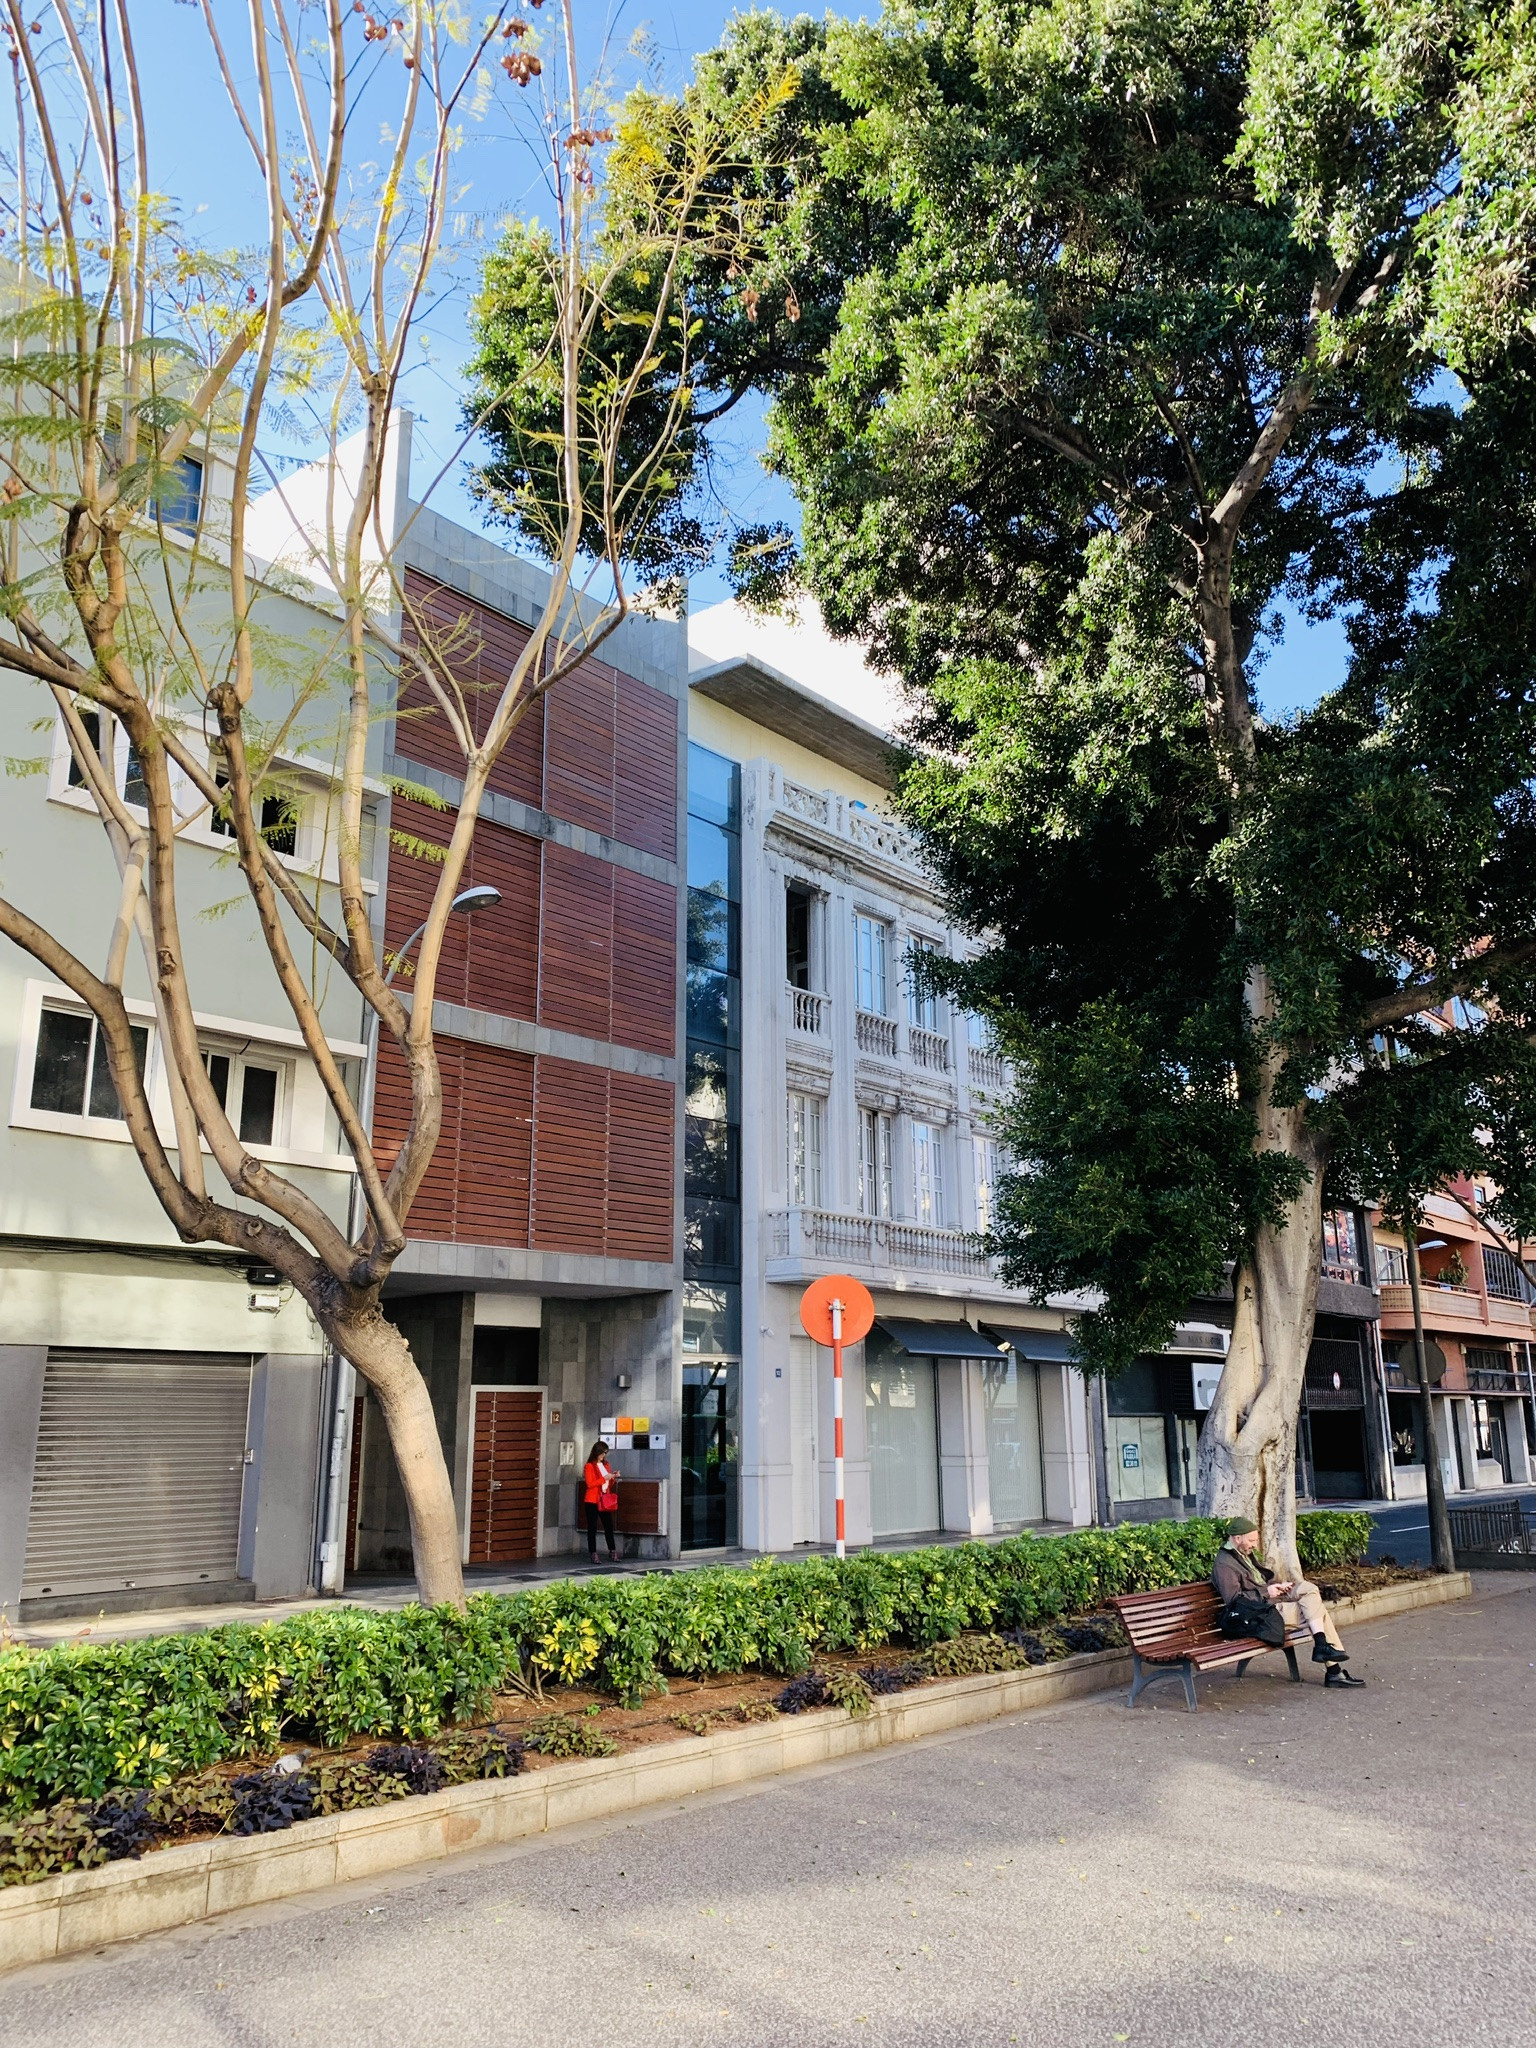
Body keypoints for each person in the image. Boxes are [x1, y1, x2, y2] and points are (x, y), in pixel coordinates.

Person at [1211, 1518, 1365, 1688]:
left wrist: (1277, 1586)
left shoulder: (1242, 1553)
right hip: (1260, 1613)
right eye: (1251, 1540)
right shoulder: (1224, 1564)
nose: (1254, 1545)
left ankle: (1325, 1653)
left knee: (1309, 1589)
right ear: (1237, 1538)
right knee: (1317, 1613)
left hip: (1270, 1600)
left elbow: (1259, 1581)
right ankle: (1332, 1667)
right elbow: (1234, 1601)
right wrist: (1267, 1592)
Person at [583, 1441, 620, 1567]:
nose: (604, 1455)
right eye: (602, 1453)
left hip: (604, 1498)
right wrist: (604, 1478)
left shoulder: (606, 1465)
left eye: (605, 1453)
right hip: (592, 1500)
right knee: (592, 1527)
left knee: (608, 1526)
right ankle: (593, 1553)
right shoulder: (589, 1466)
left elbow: (608, 1484)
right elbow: (590, 1484)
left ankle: (612, 1551)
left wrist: (613, 1477)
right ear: (597, 1452)